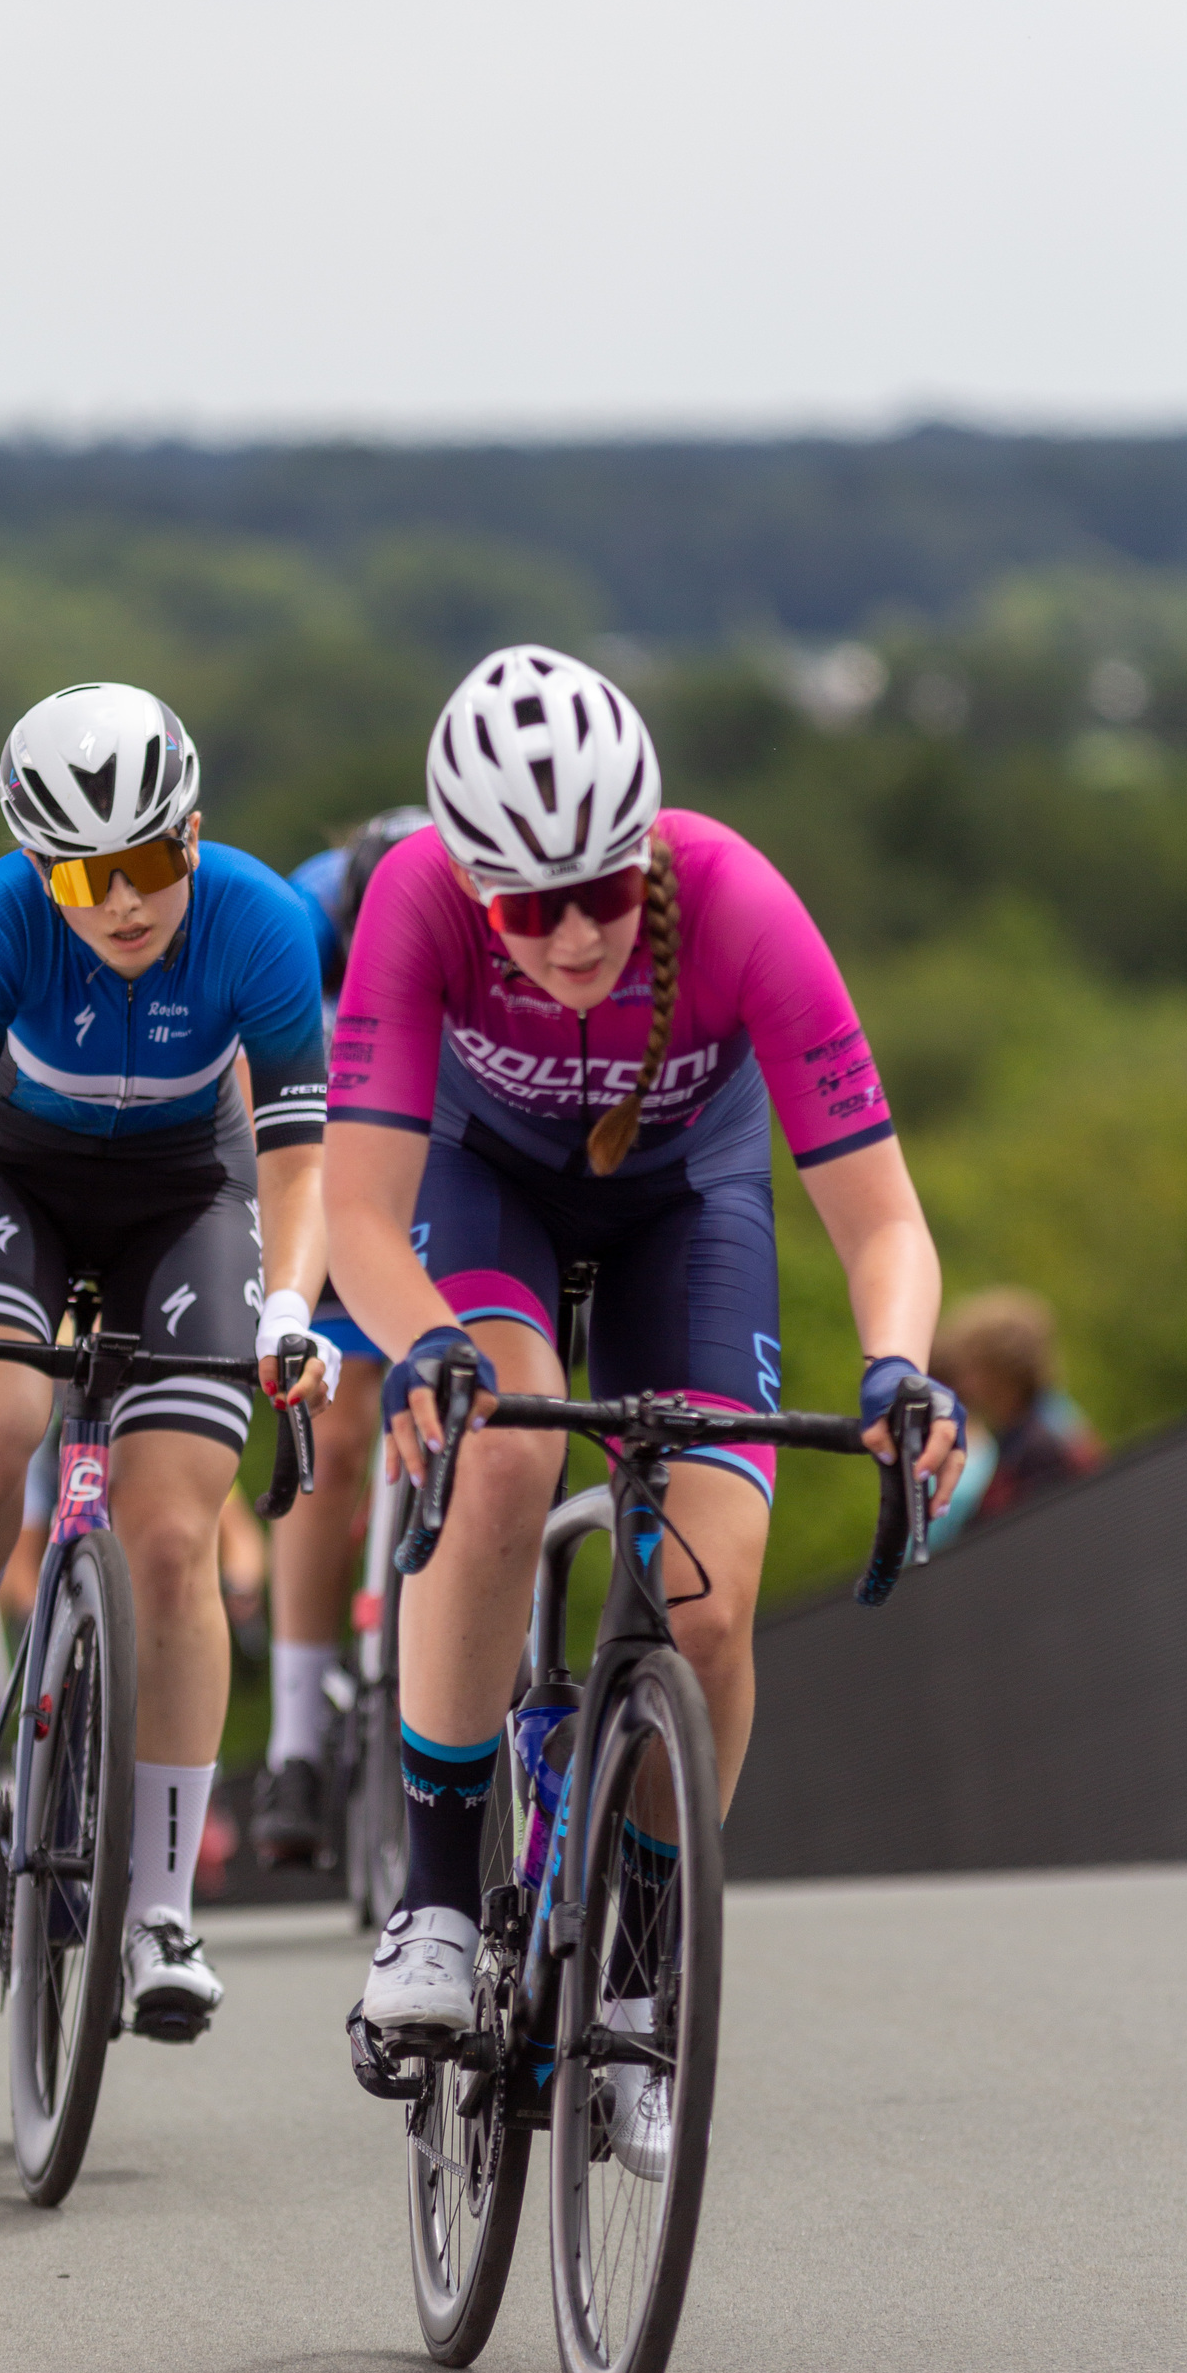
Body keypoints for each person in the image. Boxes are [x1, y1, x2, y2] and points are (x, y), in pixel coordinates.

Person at [323, 647, 966, 2164]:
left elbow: (884, 1224)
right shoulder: (417, 901)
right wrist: (421, 1345)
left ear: (648, 858)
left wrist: (896, 1365)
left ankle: (637, 1988)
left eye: (600, 894)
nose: (565, 936)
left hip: (690, 1203)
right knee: (497, 1458)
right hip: (491, 1201)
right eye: (525, 910)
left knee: (715, 1609)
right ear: (472, 886)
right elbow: (359, 1215)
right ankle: (428, 1902)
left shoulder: (739, 901)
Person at [0, 681, 335, 2037]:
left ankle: (161, 1911)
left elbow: (303, 1161)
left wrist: (294, 1306)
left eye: (150, 862)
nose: (125, 903)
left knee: (176, 1535)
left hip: (192, 1195)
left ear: (193, 831)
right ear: (39, 870)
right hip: (25, 1182)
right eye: (87, 874)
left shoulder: (260, 918)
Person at [251, 807, 431, 1865]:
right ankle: (296, 1739)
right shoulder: (297, 918)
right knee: (342, 1421)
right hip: (315, 1151)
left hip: (431, 1146)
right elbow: (265, 1105)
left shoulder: (474, 924)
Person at [929, 1288, 1101, 1531]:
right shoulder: (1042, 1423)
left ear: (999, 1372)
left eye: (972, 1369)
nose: (963, 1383)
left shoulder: (1040, 1447)